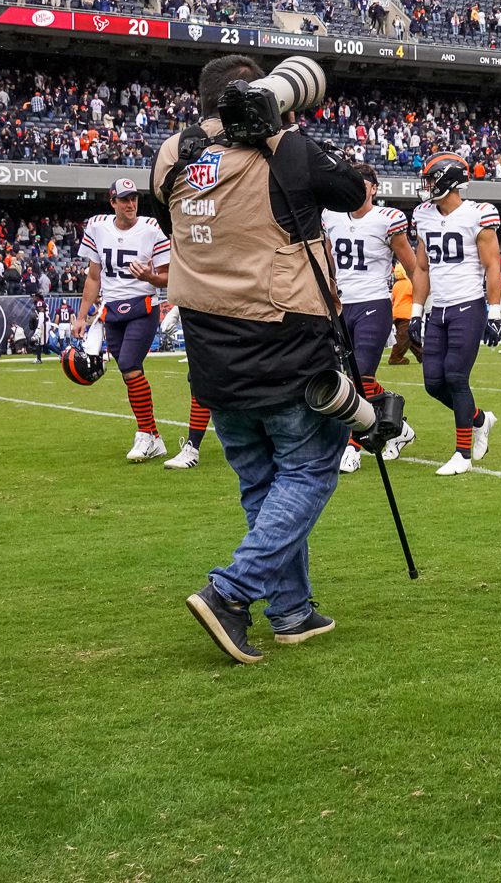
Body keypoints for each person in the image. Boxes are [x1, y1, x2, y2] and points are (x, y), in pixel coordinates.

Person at [153, 53, 365, 664]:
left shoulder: (172, 154)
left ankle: (292, 611)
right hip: (285, 338)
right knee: (309, 469)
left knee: (259, 481)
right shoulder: (285, 149)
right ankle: (232, 592)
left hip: (209, 349)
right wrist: (286, 127)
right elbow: (352, 191)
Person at [323, 161, 421, 473]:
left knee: (359, 380)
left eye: (361, 183)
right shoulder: (331, 216)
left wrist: (420, 310)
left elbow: (412, 264)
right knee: (347, 381)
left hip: (374, 304)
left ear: (373, 188)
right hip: (341, 306)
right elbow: (326, 259)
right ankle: (398, 422)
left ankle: (353, 446)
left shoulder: (387, 219)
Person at [411, 154, 501, 476]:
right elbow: (422, 267)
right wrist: (415, 311)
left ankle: (462, 454)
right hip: (439, 308)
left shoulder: (478, 213)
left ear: (447, 180)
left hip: (468, 304)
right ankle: (479, 419)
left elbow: (493, 266)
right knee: (433, 383)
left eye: (431, 179)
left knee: (455, 377)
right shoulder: (423, 215)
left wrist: (495, 312)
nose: (426, 186)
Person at [74, 178, 172, 462]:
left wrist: (150, 277)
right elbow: (93, 277)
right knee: (129, 374)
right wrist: (82, 316)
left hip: (144, 306)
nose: (131, 205)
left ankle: (145, 434)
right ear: (113, 202)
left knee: (130, 365)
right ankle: (154, 437)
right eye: (125, 199)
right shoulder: (97, 227)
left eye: (134, 199)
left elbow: (167, 276)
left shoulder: (153, 229)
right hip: (112, 310)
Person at [387, 262, 420, 365]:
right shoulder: (409, 283)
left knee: (410, 338)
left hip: (397, 314)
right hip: (407, 314)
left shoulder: (396, 285)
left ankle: (423, 355)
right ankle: (395, 358)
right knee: (403, 338)